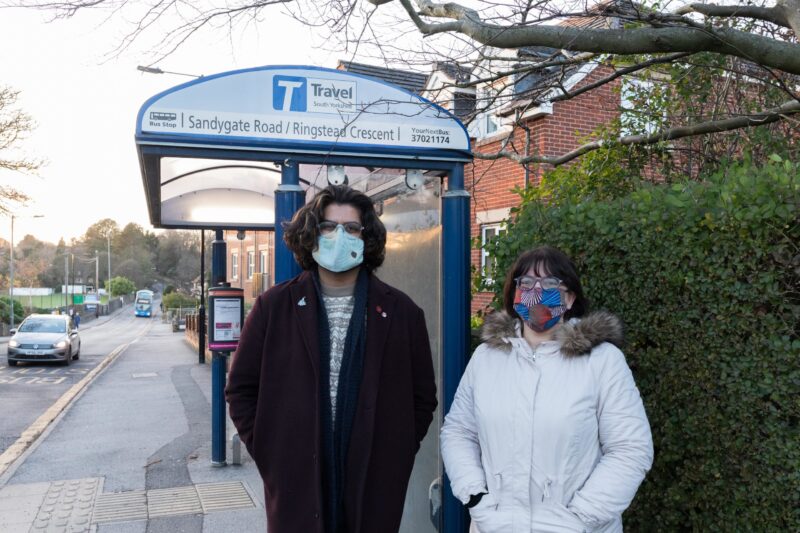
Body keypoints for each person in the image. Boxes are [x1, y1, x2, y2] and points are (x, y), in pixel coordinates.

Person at [226, 185, 438, 533]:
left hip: (375, 479)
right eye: (328, 226)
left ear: (365, 238)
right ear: (311, 234)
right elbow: (241, 391)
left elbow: (422, 399)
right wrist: (270, 450)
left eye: (352, 228)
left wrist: (395, 453)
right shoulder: (273, 308)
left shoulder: (403, 313)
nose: (340, 235)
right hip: (295, 477)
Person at [441, 246, 653, 533]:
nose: (536, 292)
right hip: (496, 526)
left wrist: (581, 517)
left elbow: (631, 449)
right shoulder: (486, 358)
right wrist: (476, 498)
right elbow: (458, 432)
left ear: (570, 297)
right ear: (514, 294)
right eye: (526, 283)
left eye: (550, 284)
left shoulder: (602, 361)